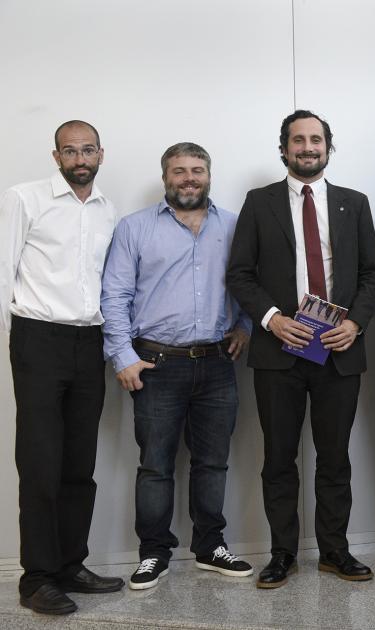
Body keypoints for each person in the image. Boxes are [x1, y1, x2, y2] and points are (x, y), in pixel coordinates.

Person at [226, 110, 375, 588]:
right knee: (279, 458)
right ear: (284, 149)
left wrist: (355, 323)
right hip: (280, 354)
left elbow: (371, 274)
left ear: (328, 148)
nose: (308, 147)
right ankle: (282, 555)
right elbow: (240, 274)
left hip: (338, 350)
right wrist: (273, 321)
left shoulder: (354, 204)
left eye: (316, 139)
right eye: (298, 140)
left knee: (335, 458)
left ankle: (335, 551)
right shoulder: (259, 202)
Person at [100, 142, 253, 590]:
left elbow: (248, 283)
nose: (189, 178)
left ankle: (210, 546)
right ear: (165, 176)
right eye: (179, 171)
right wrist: (122, 356)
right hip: (155, 364)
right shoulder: (135, 228)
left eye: (197, 170)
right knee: (155, 465)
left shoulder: (234, 226)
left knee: (213, 463)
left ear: (209, 175)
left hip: (217, 364)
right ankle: (153, 553)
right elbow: (114, 295)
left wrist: (245, 325)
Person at [0, 121, 123, 614]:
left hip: (87, 340)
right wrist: (19, 345)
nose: (79, 158)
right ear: (56, 157)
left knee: (79, 464)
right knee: (40, 463)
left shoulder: (108, 210)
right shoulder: (24, 198)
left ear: (100, 154)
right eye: (69, 151)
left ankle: (71, 564)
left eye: (87, 150)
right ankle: (37, 578)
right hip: (38, 338)